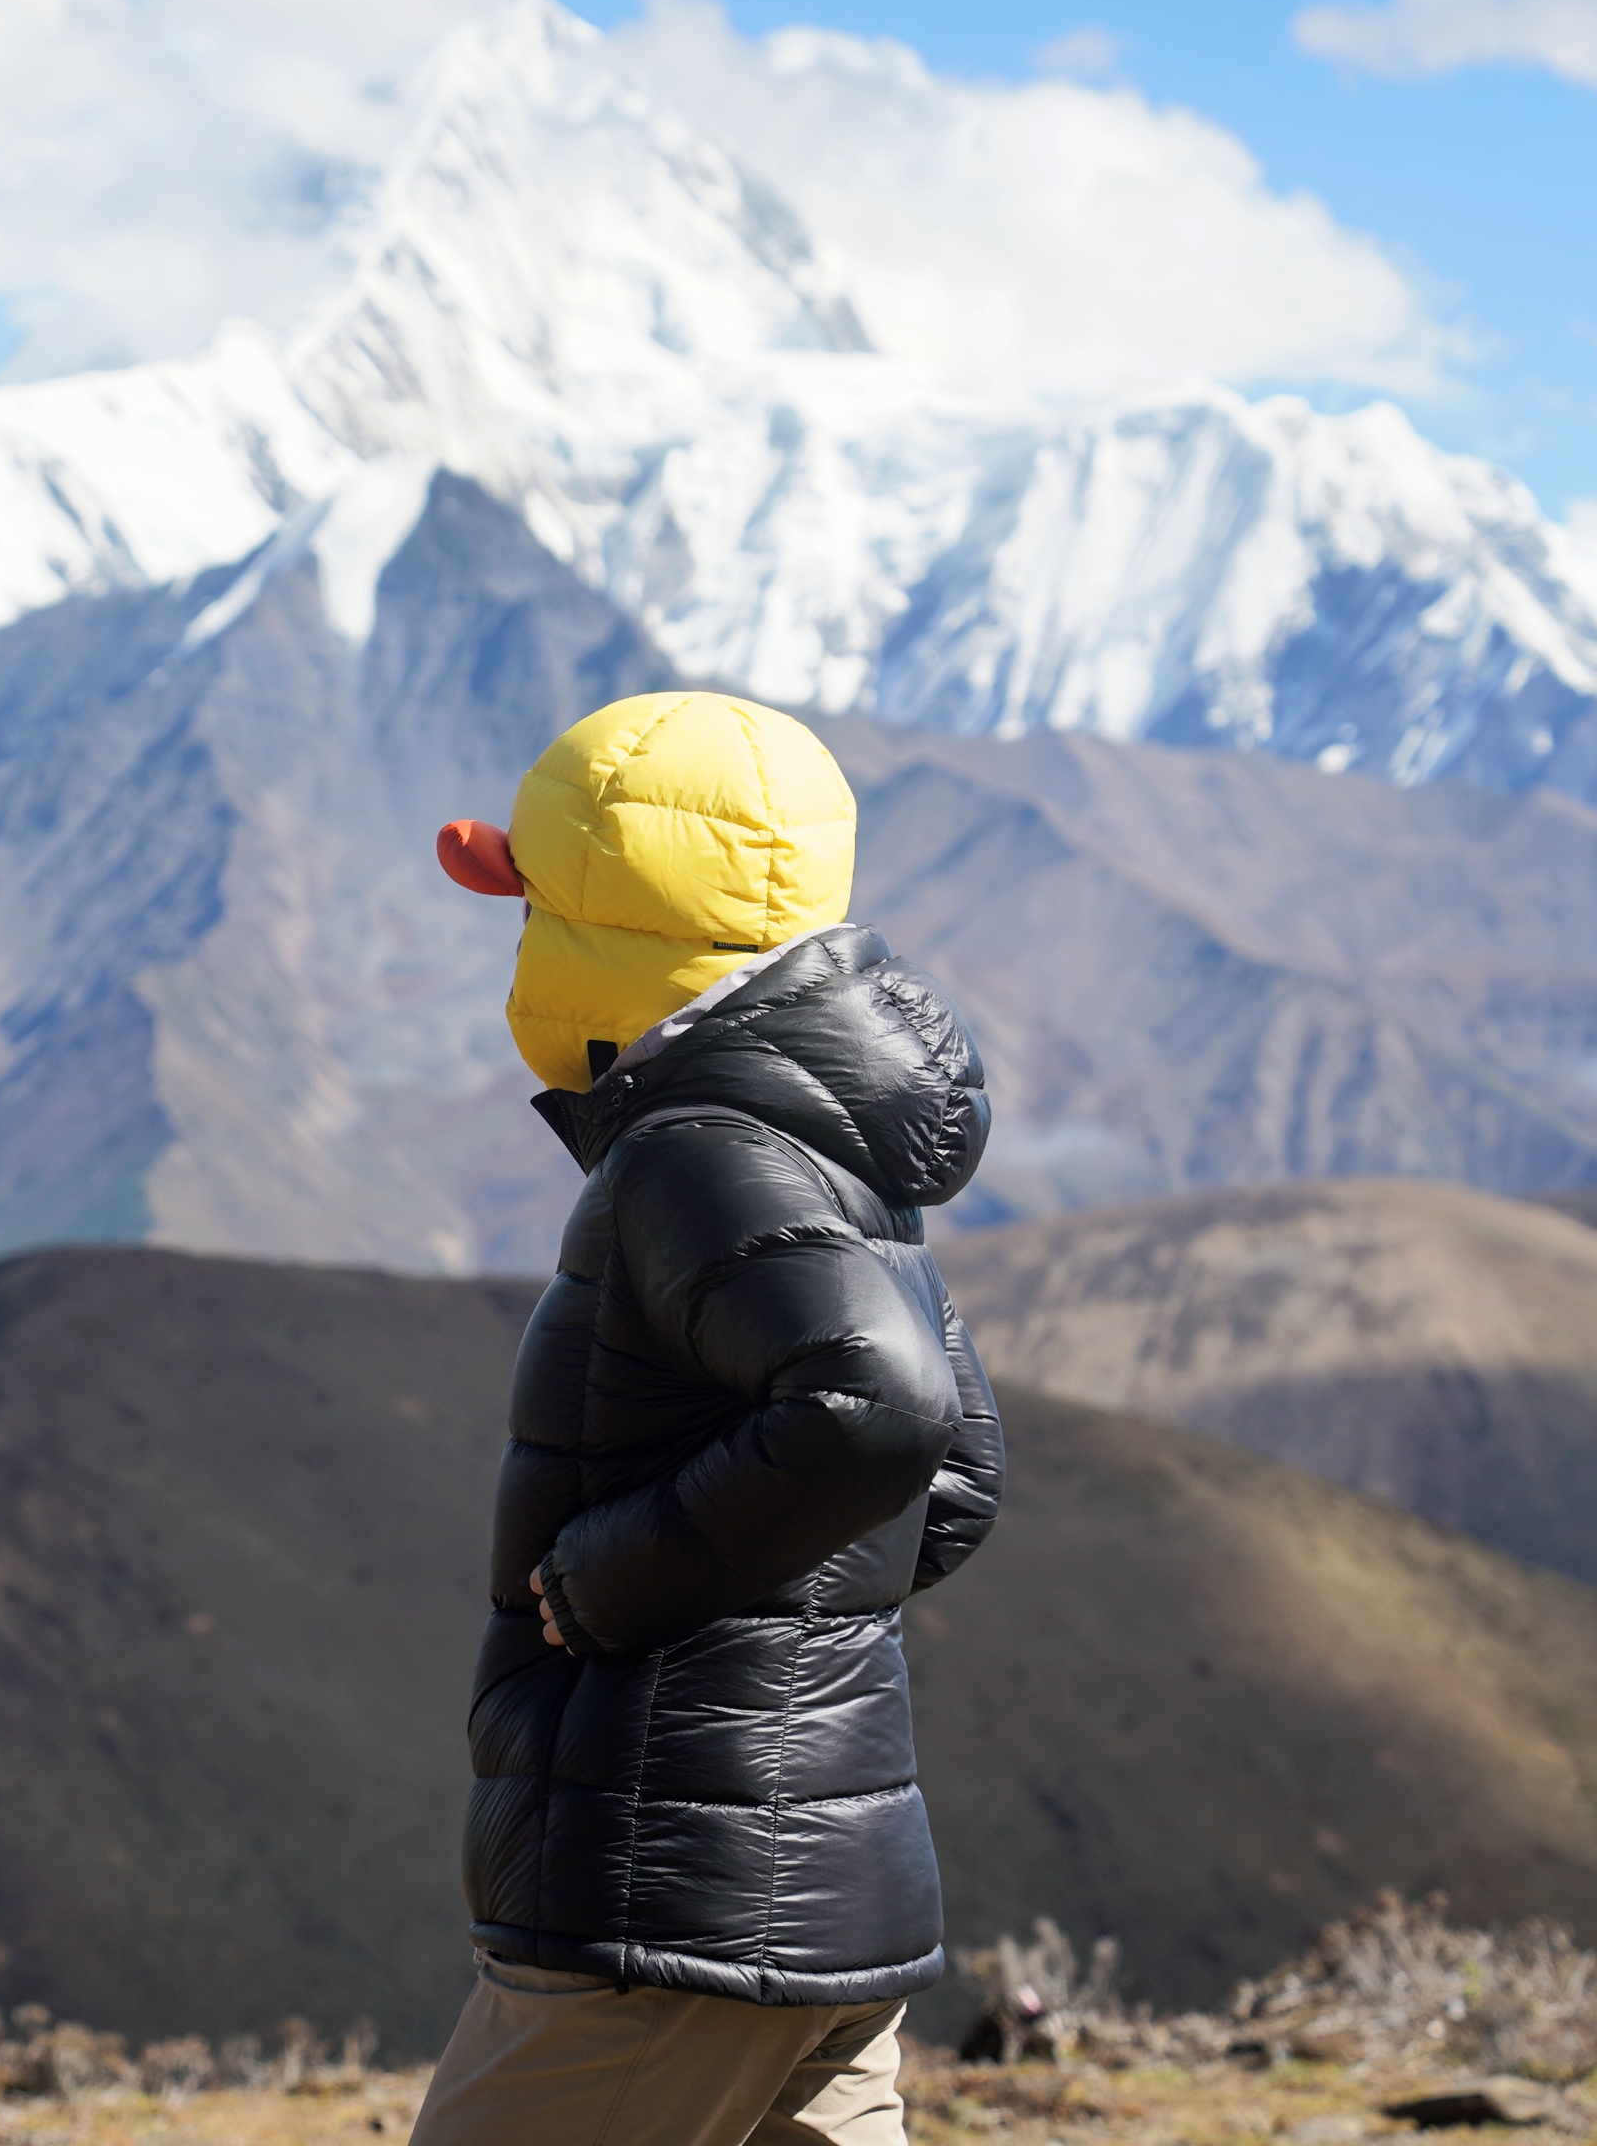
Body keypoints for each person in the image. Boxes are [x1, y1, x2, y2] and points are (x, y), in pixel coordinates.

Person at [409, 691, 1004, 2146]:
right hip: (817, 1892)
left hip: (664, 1897)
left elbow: (883, 1410)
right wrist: (785, 1606)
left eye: (534, 908)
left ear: (607, 936)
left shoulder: (698, 1153)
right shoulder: (830, 1150)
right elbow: (959, 1477)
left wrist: (618, 1580)